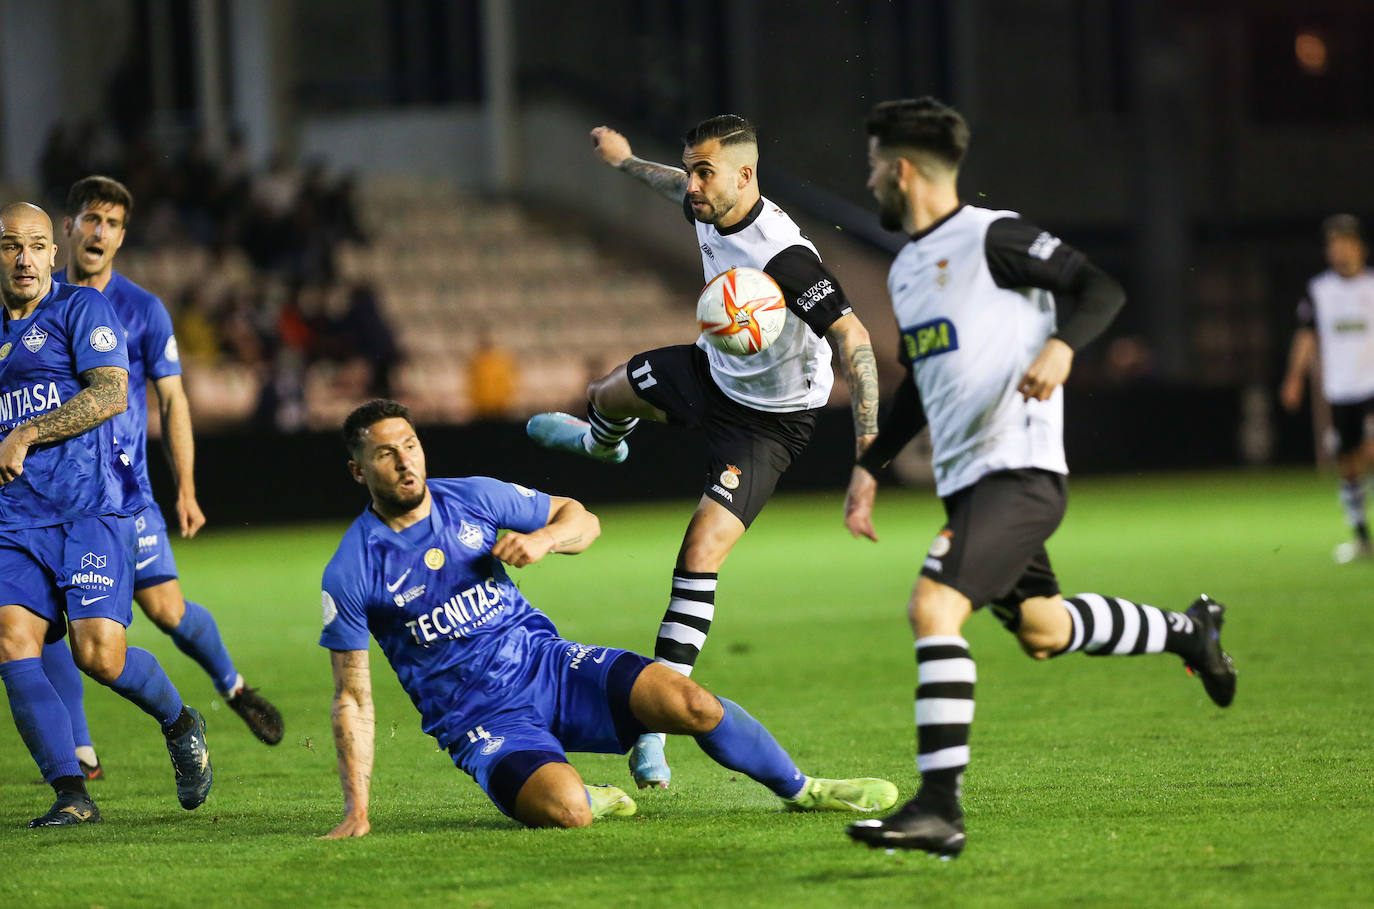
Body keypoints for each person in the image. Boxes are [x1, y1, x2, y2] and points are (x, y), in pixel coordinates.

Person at [840, 98, 1237, 858]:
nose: (868, 183)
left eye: (871, 168)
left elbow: (1101, 290)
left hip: (1017, 472)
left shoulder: (994, 236)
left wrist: (1061, 347)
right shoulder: (908, 269)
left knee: (934, 607)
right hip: (971, 482)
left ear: (900, 170)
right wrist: (869, 464)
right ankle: (1192, 631)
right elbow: (922, 381)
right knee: (1044, 629)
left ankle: (938, 808)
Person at [318, 399, 897, 834]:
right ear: (357, 471)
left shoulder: (469, 496)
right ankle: (585, 792)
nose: (404, 462)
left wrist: (545, 539)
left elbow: (583, 519)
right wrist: (358, 810)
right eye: (385, 453)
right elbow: (353, 698)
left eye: (411, 445)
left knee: (691, 702)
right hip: (480, 717)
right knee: (568, 812)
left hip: (551, 665)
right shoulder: (351, 569)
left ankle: (805, 789)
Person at [526, 115, 880, 789]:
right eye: (690, 168)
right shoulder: (705, 201)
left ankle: (654, 727)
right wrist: (626, 161)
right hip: (713, 373)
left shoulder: (783, 254)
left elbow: (855, 339)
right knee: (607, 391)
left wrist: (867, 452)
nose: (691, 184)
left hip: (769, 423)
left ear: (746, 176)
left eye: (704, 171)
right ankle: (602, 447)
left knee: (700, 552)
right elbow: (672, 190)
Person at [37, 176, 282, 783]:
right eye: (91, 219)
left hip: (125, 493)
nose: (100, 233)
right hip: (51, 495)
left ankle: (233, 686)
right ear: (67, 228)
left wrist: (187, 486)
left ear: (123, 236)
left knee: (166, 610)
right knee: (46, 618)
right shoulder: (32, 303)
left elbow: (173, 401)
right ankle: (81, 748)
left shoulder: (143, 310)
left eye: (113, 224)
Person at [0, 202, 211, 827]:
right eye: (10, 245)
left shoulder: (80, 309)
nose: (24, 258)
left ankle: (180, 722)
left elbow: (112, 393)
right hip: (13, 521)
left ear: (53, 253)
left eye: (37, 244)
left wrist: (26, 434)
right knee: (12, 642)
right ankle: (71, 793)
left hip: (89, 510)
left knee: (100, 657)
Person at [1279, 214, 1374, 563]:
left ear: (1359, 247)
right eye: (1334, 244)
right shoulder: (1320, 290)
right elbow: (1306, 336)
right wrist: (1294, 377)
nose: (1340, 250)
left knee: (1371, 449)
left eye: (1346, 243)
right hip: (1340, 388)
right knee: (1348, 463)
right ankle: (1362, 536)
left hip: (1372, 384)